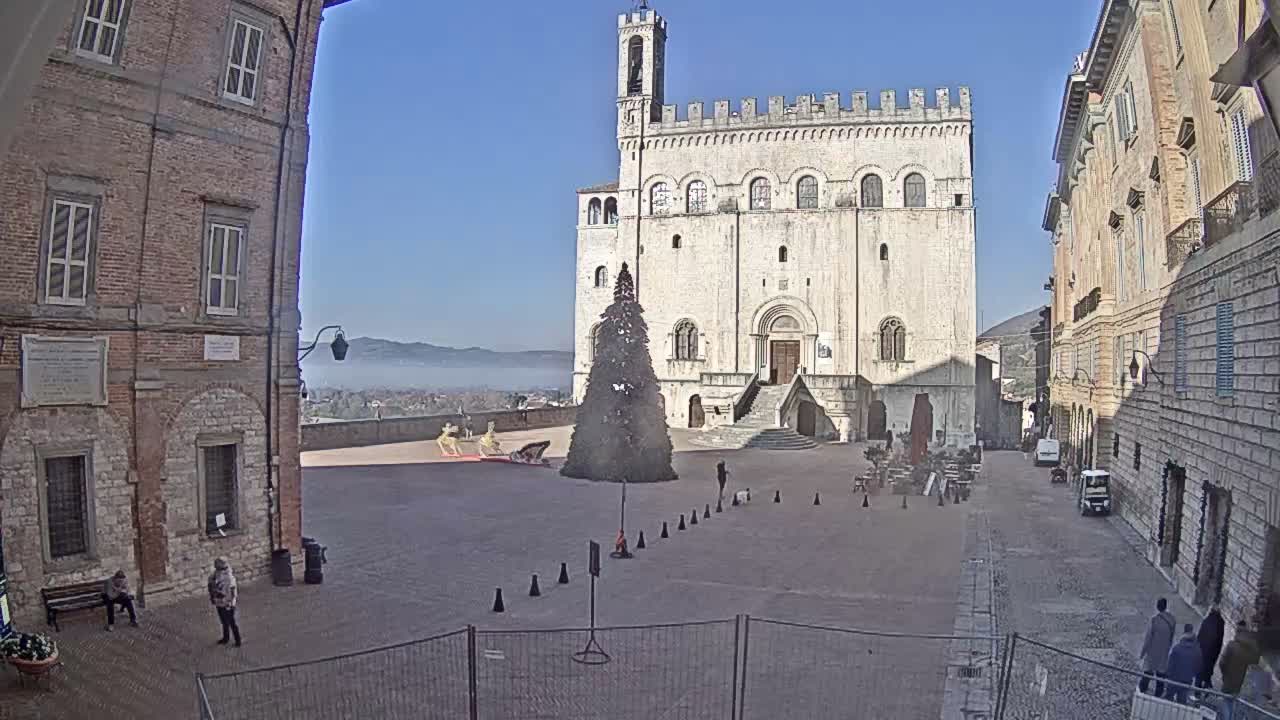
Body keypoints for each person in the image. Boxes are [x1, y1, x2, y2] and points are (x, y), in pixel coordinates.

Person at [1139, 597, 1176, 696]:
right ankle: (1158, 694)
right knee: (1160, 675)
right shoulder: (1172, 619)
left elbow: (1148, 639)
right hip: (1164, 652)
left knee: (1147, 673)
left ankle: (1142, 690)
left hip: (1152, 652)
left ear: (1157, 607)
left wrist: (1142, 653)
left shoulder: (1154, 620)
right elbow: (1171, 637)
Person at [1164, 623, 1202, 704]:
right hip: (1186, 680)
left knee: (1168, 698)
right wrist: (1192, 674)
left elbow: (1170, 664)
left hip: (1174, 678)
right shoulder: (1197, 651)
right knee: (1181, 701)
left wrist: (1167, 674)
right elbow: (1198, 666)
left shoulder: (1177, 648)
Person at [207, 557, 241, 647]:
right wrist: (213, 596)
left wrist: (231, 603)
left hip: (227, 603)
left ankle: (238, 640)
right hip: (219, 601)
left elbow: (233, 592)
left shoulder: (229, 577)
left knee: (232, 622)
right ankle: (226, 637)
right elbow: (211, 584)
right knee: (223, 621)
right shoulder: (215, 574)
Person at [1196, 606, 1226, 689]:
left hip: (1203, 651)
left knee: (1200, 672)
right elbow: (1220, 641)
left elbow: (1199, 637)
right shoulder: (1221, 624)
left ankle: (1197, 690)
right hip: (1213, 653)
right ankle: (1206, 687)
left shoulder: (1206, 621)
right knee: (1208, 670)